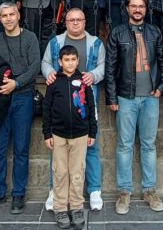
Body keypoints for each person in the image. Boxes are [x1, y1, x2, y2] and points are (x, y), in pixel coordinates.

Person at [105, 0, 163, 216]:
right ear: (128, 9)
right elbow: (110, 68)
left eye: (141, 6)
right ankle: (124, 192)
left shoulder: (155, 32)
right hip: (126, 98)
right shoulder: (118, 33)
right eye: (134, 6)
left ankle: (149, 190)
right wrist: (111, 98)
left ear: (146, 9)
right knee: (124, 145)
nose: (138, 10)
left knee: (149, 145)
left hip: (151, 98)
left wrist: (161, 87)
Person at [41, 8, 105, 212]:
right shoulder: (55, 42)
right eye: (71, 20)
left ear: (85, 22)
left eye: (79, 20)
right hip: (61, 103)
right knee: (58, 151)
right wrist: (50, 73)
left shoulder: (95, 42)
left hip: (85, 102)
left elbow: (104, 66)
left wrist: (93, 75)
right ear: (65, 22)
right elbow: (45, 62)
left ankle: (94, 190)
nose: (75, 23)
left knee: (91, 146)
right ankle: (55, 190)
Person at [0, 2, 41, 215]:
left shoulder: (30, 38)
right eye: (4, 15)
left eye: (11, 14)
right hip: (2, 99)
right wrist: (3, 85)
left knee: (22, 148)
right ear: (0, 18)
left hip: (23, 97)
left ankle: (18, 193)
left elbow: (35, 67)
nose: (8, 19)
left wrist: (17, 83)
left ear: (18, 14)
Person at [43, 45, 98, 230]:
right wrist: (47, 133)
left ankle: (76, 208)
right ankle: (60, 208)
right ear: (60, 62)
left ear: (78, 61)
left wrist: (92, 132)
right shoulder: (54, 83)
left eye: (73, 59)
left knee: (77, 172)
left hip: (81, 135)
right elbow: (47, 109)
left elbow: (91, 107)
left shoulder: (83, 82)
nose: (70, 63)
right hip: (58, 135)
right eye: (66, 60)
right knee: (60, 172)